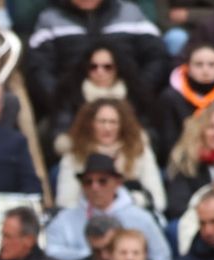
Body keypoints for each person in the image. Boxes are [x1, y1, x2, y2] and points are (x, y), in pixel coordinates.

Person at [25, 0, 168, 126]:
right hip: (71, 109)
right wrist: (62, 101)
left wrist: (136, 94)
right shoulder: (49, 19)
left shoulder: (132, 14)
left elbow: (157, 58)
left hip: (129, 105)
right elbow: (39, 69)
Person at [45, 153, 172, 260]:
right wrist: (90, 256)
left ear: (117, 183)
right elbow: (50, 250)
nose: (95, 187)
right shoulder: (65, 219)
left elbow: (162, 258)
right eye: (88, 182)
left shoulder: (141, 218)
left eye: (102, 181)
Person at [43, 41, 160, 161]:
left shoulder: (135, 94)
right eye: (93, 67)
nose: (100, 71)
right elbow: (60, 134)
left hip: (128, 159)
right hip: (81, 158)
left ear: (118, 68)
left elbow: (149, 133)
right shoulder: (70, 94)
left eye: (107, 67)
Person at [54, 99, 165, 212]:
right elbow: (65, 202)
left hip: (133, 215)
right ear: (90, 124)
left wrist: (127, 202)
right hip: (87, 217)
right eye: (102, 122)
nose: (107, 128)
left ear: (123, 125)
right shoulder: (75, 154)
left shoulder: (139, 151)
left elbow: (158, 200)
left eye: (113, 122)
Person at [156, 43, 214, 160]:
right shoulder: (170, 97)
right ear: (187, 67)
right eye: (199, 65)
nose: (205, 70)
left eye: (212, 65)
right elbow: (167, 141)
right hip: (183, 159)